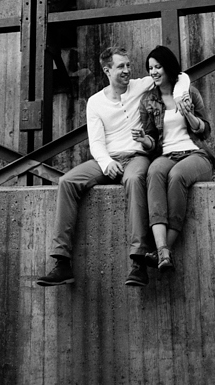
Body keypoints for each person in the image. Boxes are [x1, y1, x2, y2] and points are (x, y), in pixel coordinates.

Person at [36, 42, 190, 289]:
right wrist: (106, 163)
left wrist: (181, 94)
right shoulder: (95, 102)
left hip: (136, 156)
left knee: (134, 179)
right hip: (108, 159)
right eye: (121, 67)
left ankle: (138, 262)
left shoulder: (140, 86)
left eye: (129, 65)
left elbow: (179, 76)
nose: (127, 70)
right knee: (68, 181)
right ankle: (61, 261)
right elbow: (96, 142)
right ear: (107, 71)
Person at [137, 45, 215, 276]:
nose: (153, 72)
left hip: (196, 154)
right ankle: (162, 249)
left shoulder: (189, 92)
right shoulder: (147, 101)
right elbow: (153, 140)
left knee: (177, 176)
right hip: (166, 154)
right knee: (154, 172)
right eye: (150, 68)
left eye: (158, 67)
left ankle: (166, 249)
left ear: (168, 67)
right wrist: (145, 140)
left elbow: (205, 131)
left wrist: (189, 114)